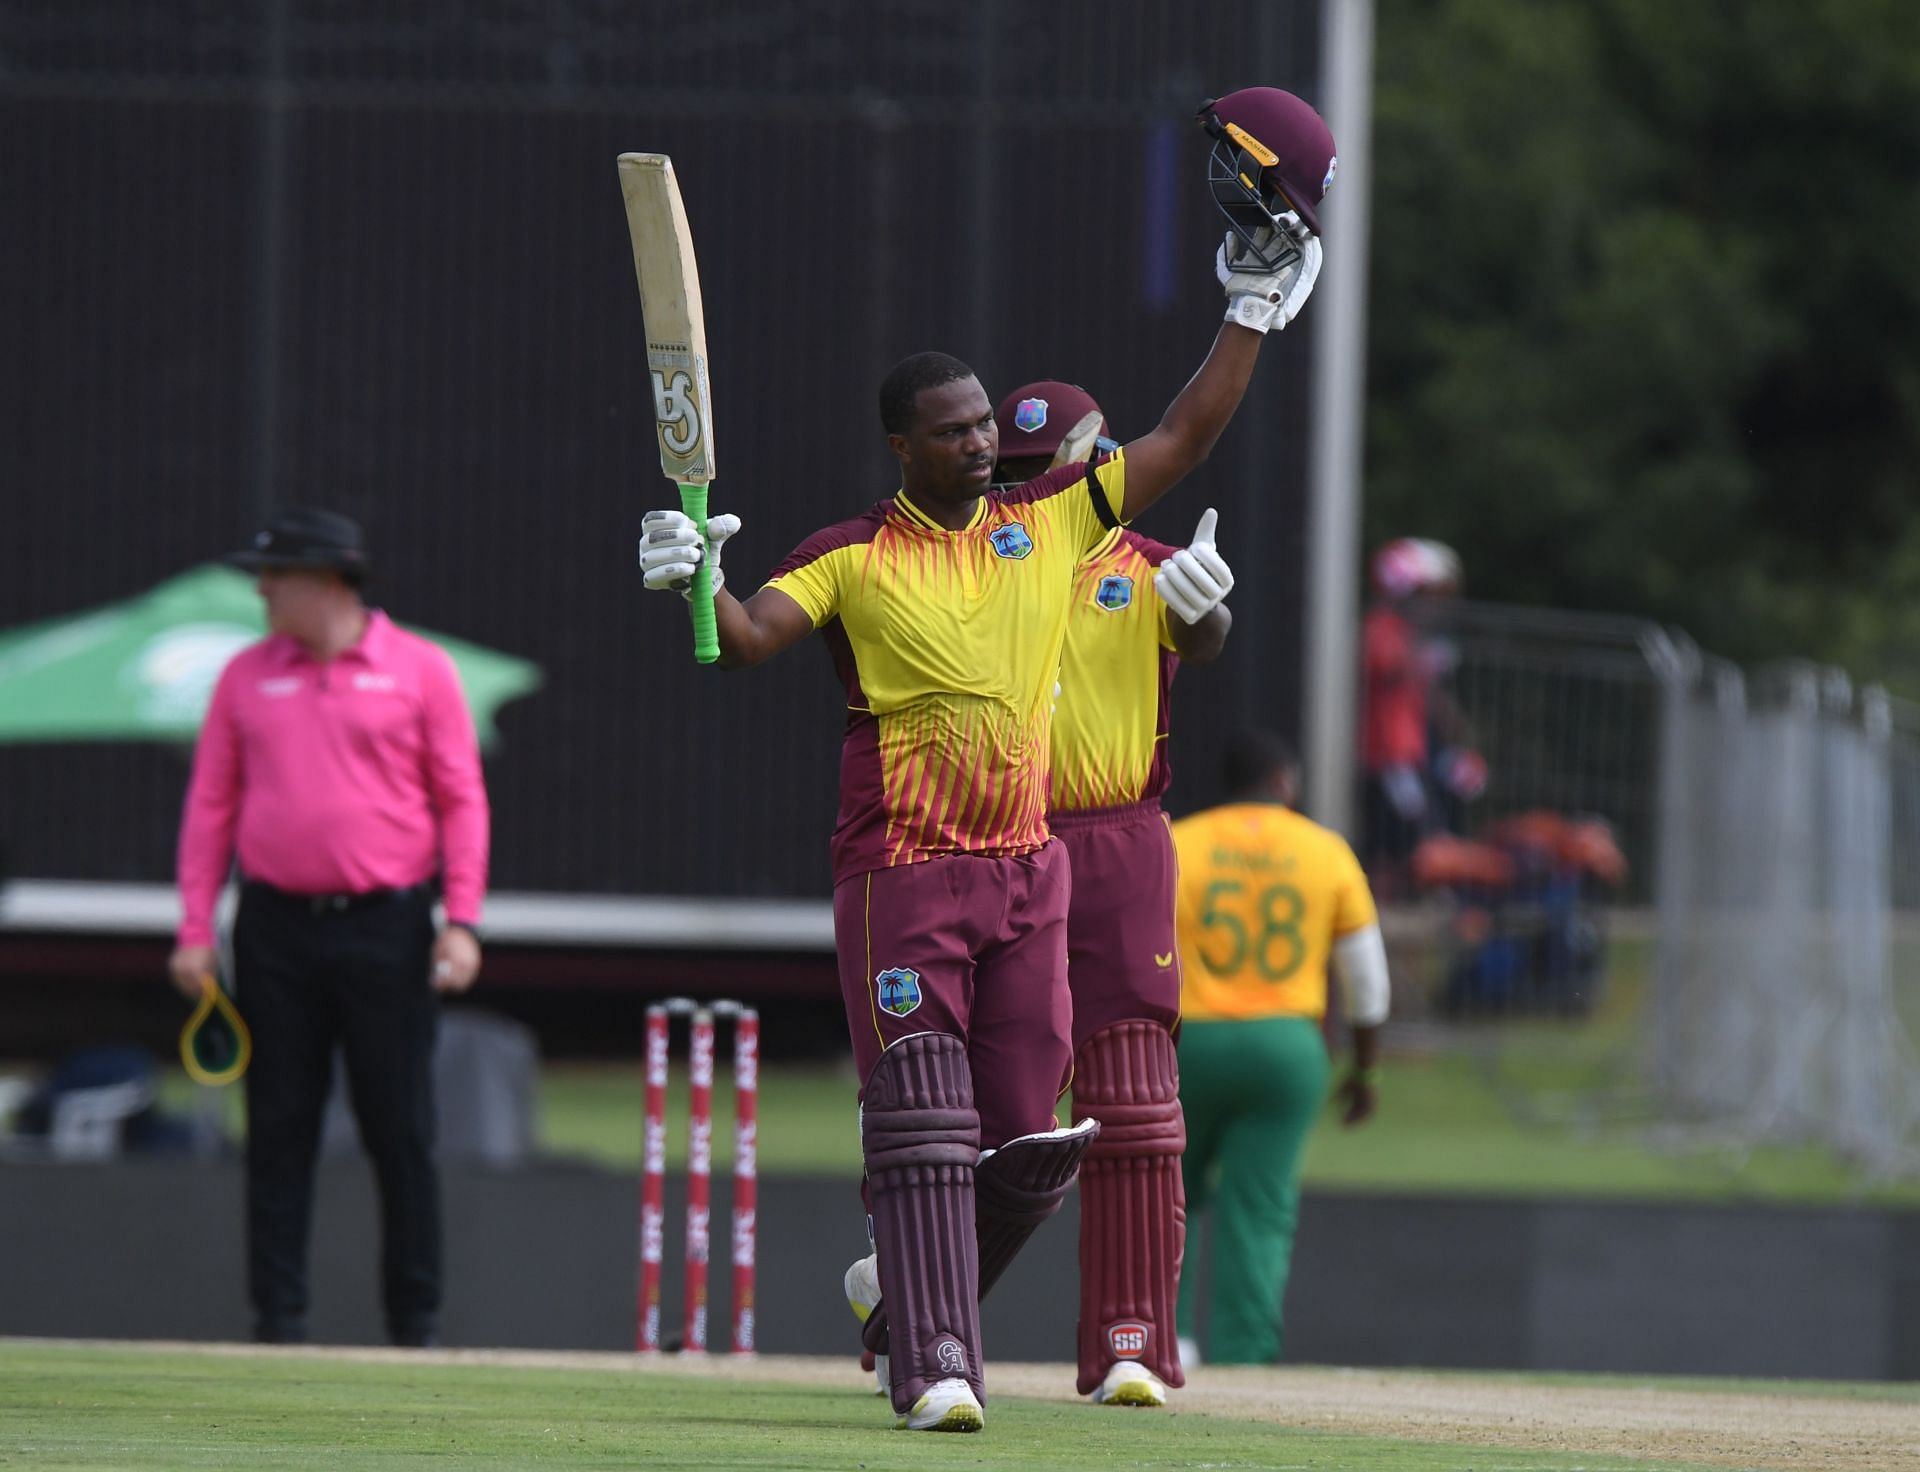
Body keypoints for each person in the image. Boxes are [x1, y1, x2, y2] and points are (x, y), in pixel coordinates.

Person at [637, 86, 1333, 1433]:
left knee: (1037, 1143)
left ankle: (901, 1302)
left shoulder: (1055, 523)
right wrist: (689, 580)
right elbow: (748, 639)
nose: (976, 441)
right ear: (905, 445)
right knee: (923, 1125)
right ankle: (937, 1367)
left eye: (980, 425)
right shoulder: (848, 552)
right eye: (951, 430)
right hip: (904, 872)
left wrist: (1247, 312)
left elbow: (1183, 435)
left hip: (1034, 876)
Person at [168, 507, 489, 1348]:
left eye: (276, 577)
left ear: (329, 582)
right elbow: (210, 806)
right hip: (273, 927)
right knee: (276, 1125)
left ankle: (414, 1322)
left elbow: (462, 800)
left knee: (401, 1128)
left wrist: (461, 922)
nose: (263, 592)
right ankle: (278, 1320)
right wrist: (196, 927)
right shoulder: (245, 676)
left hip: (387, 923)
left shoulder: (420, 669)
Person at [991, 379, 1232, 1408]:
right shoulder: (974, 566)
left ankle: (1130, 1341)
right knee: (983, 1112)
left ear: (1104, 460)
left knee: (1134, 1103)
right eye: (1020, 469)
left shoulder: (1144, 565)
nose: (1043, 484)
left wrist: (1207, 609)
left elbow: (1203, 639)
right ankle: (922, 1323)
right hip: (994, 838)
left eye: (1066, 462)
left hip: (1119, 838)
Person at [1171, 730, 1389, 1366]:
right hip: (1285, 1046)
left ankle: (1163, 1345)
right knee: (1259, 1207)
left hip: (1188, 1042)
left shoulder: (1182, 842)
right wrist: (1365, 1073)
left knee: (1167, 1197)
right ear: (1285, 783)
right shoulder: (1325, 851)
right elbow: (1369, 983)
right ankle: (1245, 1356)